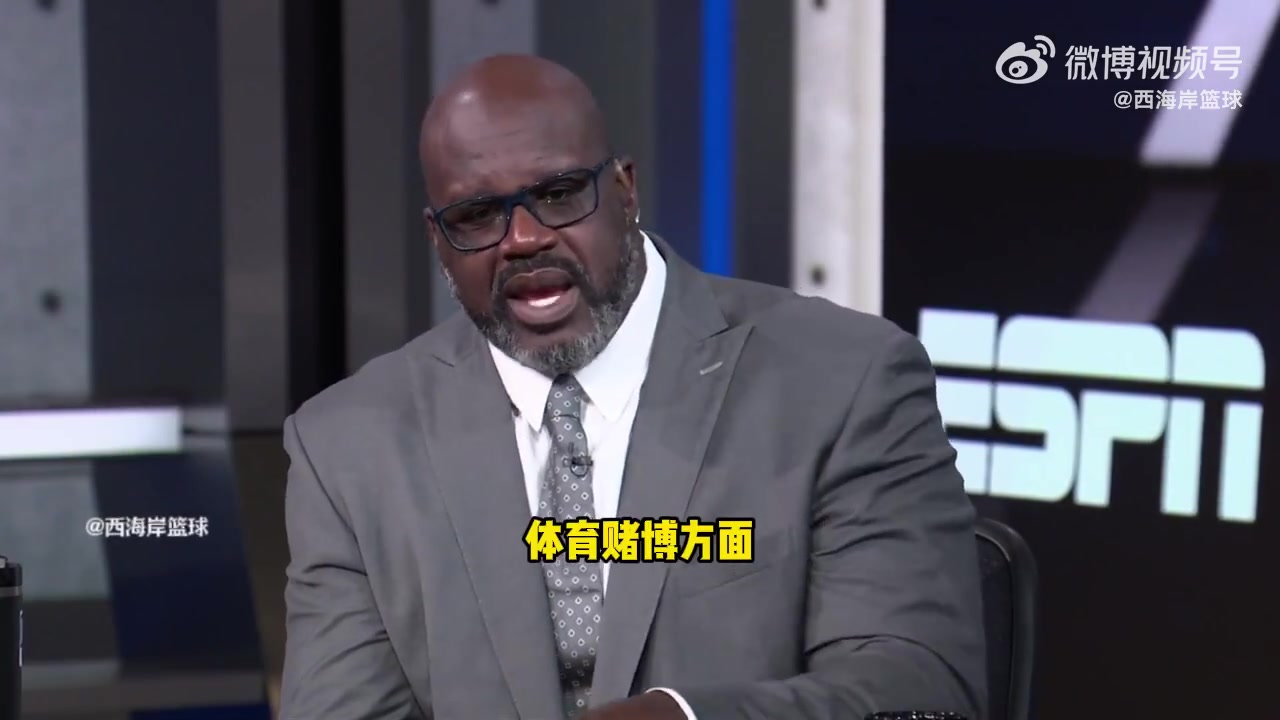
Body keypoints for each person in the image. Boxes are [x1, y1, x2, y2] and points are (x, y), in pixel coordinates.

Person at [280, 54, 986, 720]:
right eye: (477, 217)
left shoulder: (843, 382)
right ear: (439, 239)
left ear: (624, 191)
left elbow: (916, 688)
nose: (522, 239)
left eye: (558, 194)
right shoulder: (348, 446)